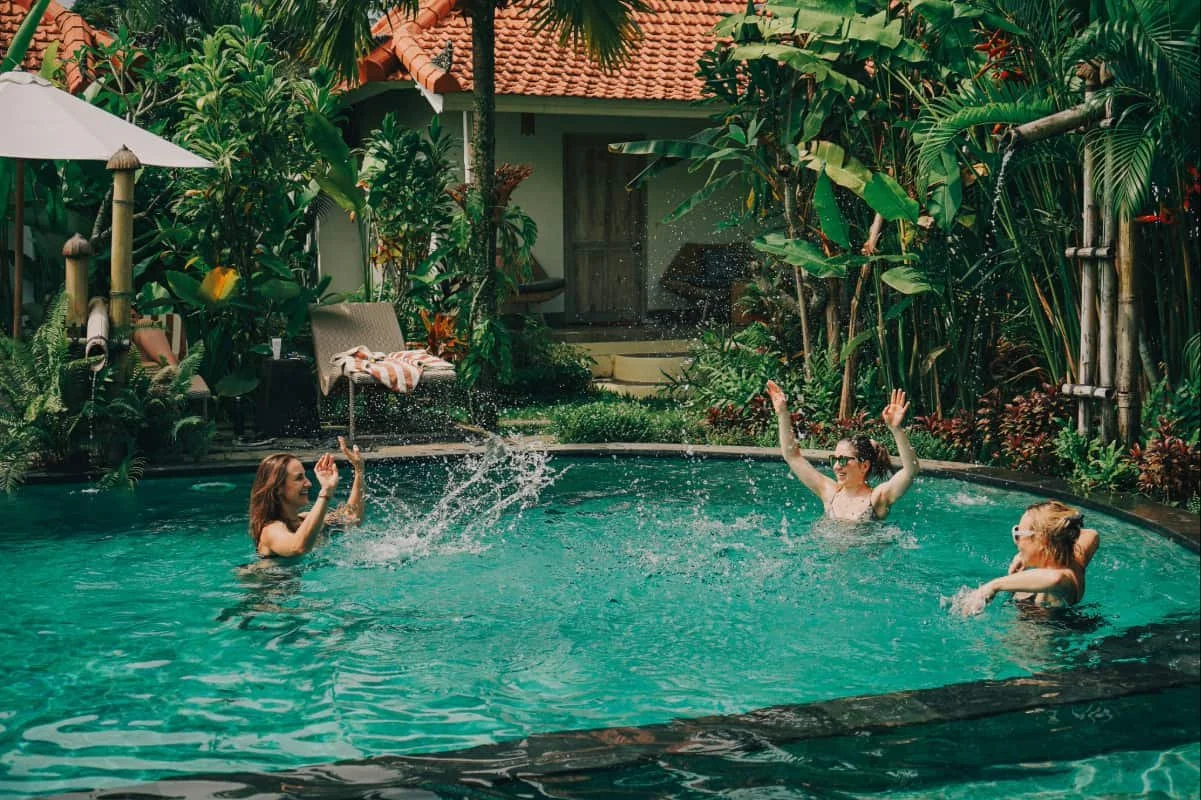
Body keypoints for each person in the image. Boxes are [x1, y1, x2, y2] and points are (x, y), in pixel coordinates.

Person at [765, 382, 919, 521]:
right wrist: (782, 414)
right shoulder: (829, 492)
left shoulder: (877, 499)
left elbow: (910, 471)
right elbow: (792, 457)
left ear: (864, 466)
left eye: (844, 460)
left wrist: (896, 430)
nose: (837, 466)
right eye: (835, 459)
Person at [965, 501, 1100, 611]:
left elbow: (1055, 578)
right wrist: (1022, 556)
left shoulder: (1064, 579)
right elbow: (1091, 534)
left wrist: (993, 585)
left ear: (1042, 541)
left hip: (1032, 641)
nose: (1016, 542)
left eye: (1019, 535)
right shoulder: (1075, 559)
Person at [249, 436, 366, 558]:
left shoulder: (305, 519)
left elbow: (353, 518)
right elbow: (298, 547)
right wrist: (325, 492)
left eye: (305, 477)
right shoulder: (270, 530)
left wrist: (359, 471)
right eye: (299, 478)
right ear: (278, 488)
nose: (309, 483)